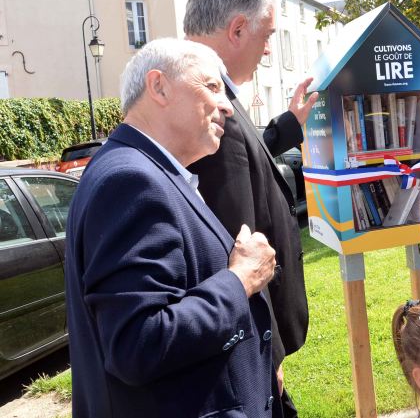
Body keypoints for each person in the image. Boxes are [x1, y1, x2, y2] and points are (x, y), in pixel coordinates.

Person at [65, 38, 283, 417]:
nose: (227, 106)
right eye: (211, 87)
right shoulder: (132, 180)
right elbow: (138, 344)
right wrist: (240, 279)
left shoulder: (148, 171)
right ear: (159, 86)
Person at [183, 0, 318, 416]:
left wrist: (288, 126)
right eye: (267, 36)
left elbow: (244, 152)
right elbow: (235, 250)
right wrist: (268, 353)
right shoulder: (208, 106)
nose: (268, 49)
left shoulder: (208, 92)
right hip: (250, 346)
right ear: (238, 29)